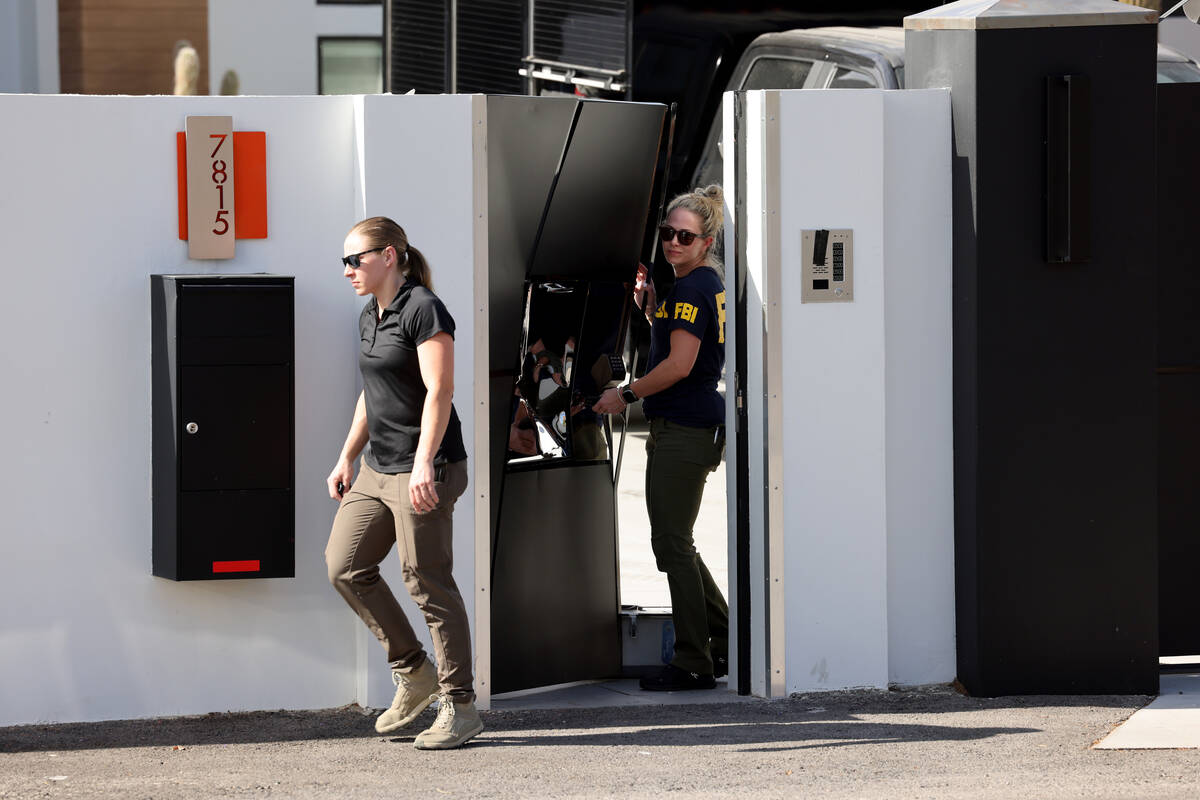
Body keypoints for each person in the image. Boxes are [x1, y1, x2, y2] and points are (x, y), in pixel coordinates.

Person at [324, 216, 482, 749]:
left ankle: (460, 706)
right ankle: (413, 670)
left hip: (426, 468)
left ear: (389, 255)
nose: (348, 270)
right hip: (377, 467)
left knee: (427, 581)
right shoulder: (372, 313)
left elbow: (440, 391)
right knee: (345, 565)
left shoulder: (423, 308)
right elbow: (373, 393)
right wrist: (346, 457)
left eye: (356, 259)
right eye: (344, 261)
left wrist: (422, 464)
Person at [593, 185, 729, 691]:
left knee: (672, 546)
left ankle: (695, 660)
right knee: (678, 546)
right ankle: (723, 639)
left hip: (685, 430)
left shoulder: (693, 287)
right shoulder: (693, 284)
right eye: (667, 233)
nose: (673, 243)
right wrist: (653, 310)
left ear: (706, 241)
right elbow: (683, 346)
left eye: (684, 237)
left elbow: (680, 365)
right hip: (689, 427)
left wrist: (623, 395)